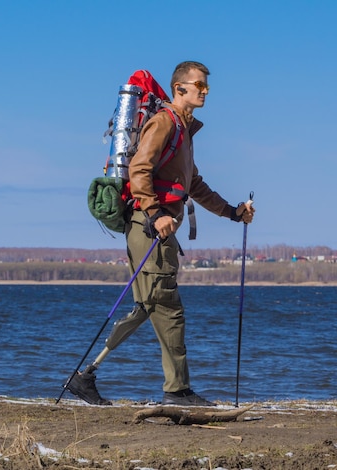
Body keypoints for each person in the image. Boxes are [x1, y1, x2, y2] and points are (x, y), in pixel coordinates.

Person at [67, 61, 255, 407]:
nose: (204, 91)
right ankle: (178, 392)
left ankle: (84, 377)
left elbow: (193, 184)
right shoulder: (165, 122)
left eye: (206, 87)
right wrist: (155, 214)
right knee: (169, 309)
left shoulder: (183, 129)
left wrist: (232, 212)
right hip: (149, 228)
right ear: (179, 88)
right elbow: (139, 169)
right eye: (199, 85)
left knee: (146, 306)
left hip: (156, 229)